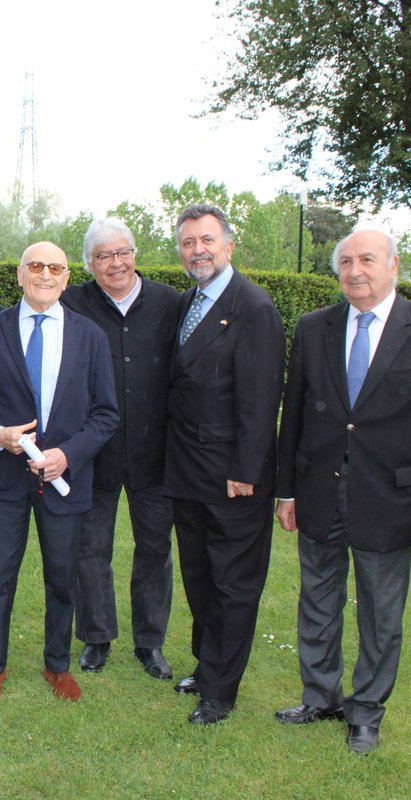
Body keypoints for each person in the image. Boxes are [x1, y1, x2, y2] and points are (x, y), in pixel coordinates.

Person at [274, 229, 411, 754]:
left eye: (367, 260)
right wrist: (284, 491)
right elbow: (294, 414)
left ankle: (366, 711)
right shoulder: (314, 328)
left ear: (393, 265)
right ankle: (320, 697)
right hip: (318, 490)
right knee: (317, 599)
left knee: (380, 612)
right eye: (346, 262)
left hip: (391, 499)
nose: (356, 270)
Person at [0, 241, 118, 703]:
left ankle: (58, 664)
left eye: (56, 268)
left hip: (65, 481)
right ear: (20, 275)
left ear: (67, 278)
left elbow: (106, 414)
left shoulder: (91, 336)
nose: (46, 274)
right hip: (4, 479)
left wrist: (69, 455)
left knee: (62, 577)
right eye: (36, 266)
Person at [163, 204, 285, 725]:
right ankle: (206, 665)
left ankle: (221, 690)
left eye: (207, 240)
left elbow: (261, 400)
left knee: (234, 583)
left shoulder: (253, 307)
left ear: (229, 246)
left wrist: (247, 470)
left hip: (234, 476)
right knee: (200, 577)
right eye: (189, 242)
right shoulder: (189, 301)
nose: (198, 250)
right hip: (188, 471)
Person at [59, 217, 179, 679]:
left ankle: (150, 643)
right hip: (92, 451)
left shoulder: (169, 303)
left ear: (135, 254)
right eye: (103, 256)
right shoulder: (72, 304)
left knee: (155, 550)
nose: (115, 263)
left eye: (122, 252)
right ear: (89, 263)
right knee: (90, 549)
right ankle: (96, 637)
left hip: (157, 450)